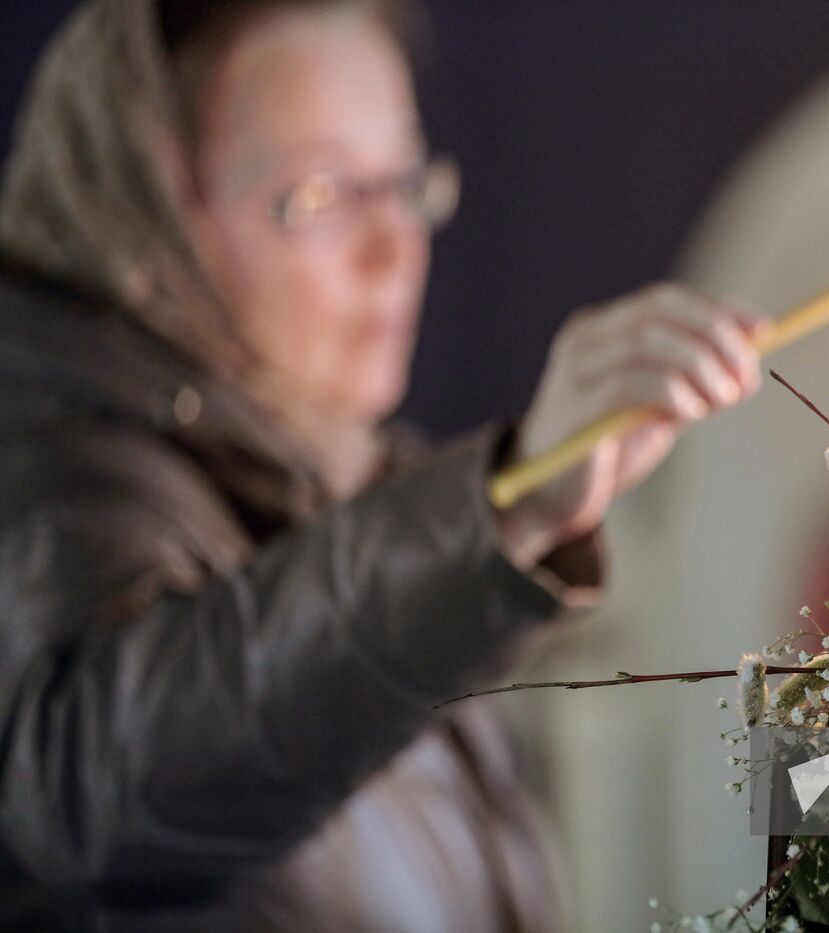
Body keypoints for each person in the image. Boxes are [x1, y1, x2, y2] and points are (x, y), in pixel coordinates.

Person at [0, 0, 766, 930]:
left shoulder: (342, 477)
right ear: (143, 219)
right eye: (321, 195)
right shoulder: (57, 475)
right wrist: (504, 504)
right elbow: (99, 787)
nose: (396, 248)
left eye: (405, 183)